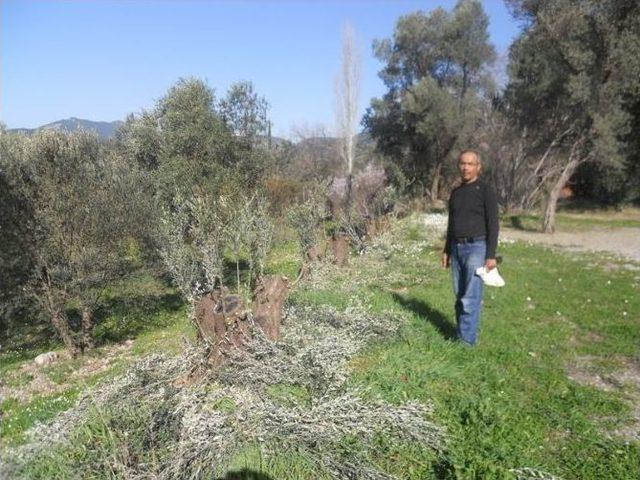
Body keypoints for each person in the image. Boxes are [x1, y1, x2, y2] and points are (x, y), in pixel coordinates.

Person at [441, 149, 499, 346]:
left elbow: (493, 224)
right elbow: (452, 223)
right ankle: (461, 334)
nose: (465, 167)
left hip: (477, 247)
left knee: (470, 298)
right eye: (462, 163)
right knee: (459, 296)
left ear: (478, 167)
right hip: (457, 249)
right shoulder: (456, 193)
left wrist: (491, 255)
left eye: (470, 164)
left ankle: (466, 343)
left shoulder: (485, 191)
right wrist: (447, 250)